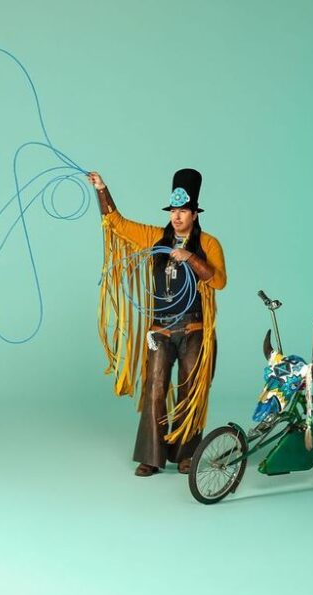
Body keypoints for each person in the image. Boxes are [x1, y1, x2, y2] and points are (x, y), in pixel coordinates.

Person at [90, 168, 227, 475]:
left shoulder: (209, 244)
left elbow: (218, 281)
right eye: (173, 211)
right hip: (159, 330)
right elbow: (117, 224)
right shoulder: (155, 238)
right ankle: (151, 456)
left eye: (183, 211)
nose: (176, 217)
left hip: (194, 329)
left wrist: (191, 258)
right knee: (154, 389)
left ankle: (186, 454)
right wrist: (102, 189)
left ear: (194, 214)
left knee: (190, 391)